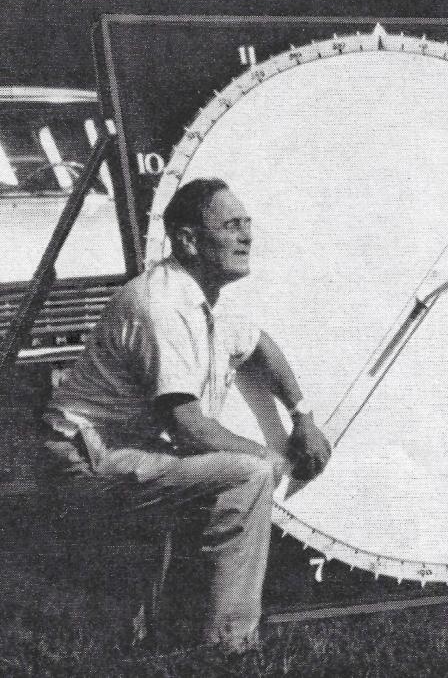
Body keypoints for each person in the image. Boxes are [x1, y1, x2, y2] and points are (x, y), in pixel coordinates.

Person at [40, 177, 331, 650]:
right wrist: (274, 458)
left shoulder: (203, 298)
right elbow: (190, 428)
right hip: (85, 458)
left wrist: (302, 416)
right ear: (189, 240)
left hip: (128, 450)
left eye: (248, 224)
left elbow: (259, 346)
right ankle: (230, 646)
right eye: (232, 225)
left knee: (234, 477)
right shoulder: (163, 304)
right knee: (247, 473)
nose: (246, 236)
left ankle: (163, 636)